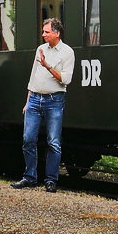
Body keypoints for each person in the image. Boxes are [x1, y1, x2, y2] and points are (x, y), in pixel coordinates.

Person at [12, 18, 75, 193]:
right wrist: (27, 100)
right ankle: (30, 177)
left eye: (46, 32)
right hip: (34, 99)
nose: (43, 34)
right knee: (28, 139)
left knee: (53, 142)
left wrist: (47, 66)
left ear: (57, 33)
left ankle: (51, 180)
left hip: (54, 100)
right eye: (43, 31)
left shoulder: (67, 52)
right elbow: (33, 76)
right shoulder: (40, 49)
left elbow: (66, 79)